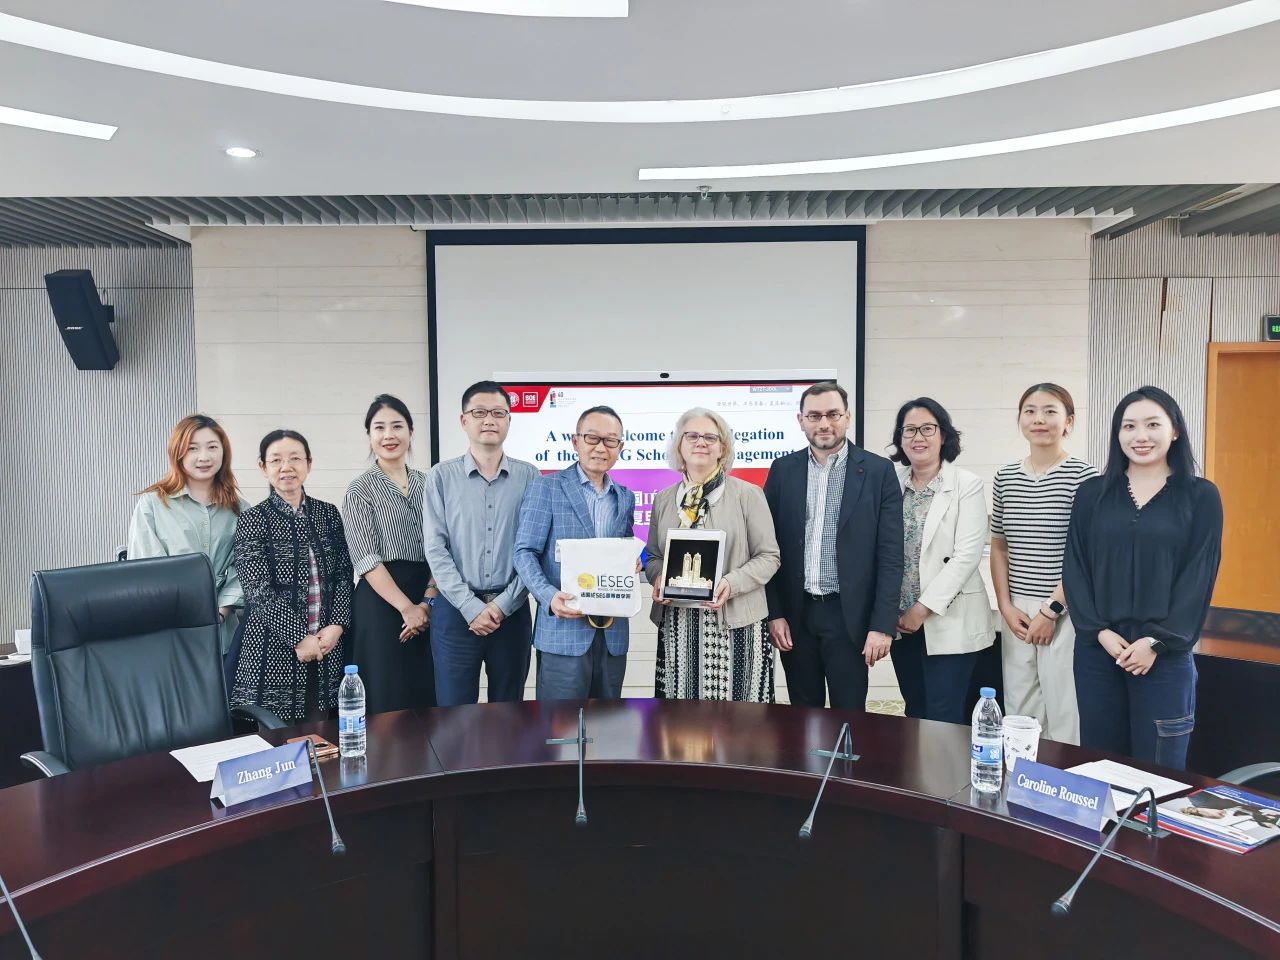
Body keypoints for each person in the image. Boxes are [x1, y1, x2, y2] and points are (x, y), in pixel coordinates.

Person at [1063, 386, 1222, 770]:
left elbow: (1198, 576)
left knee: (1158, 773)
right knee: (1100, 766)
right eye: (1129, 426)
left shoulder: (1200, 496)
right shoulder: (1092, 494)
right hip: (1099, 652)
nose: (1140, 436)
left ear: (1175, 430)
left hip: (1163, 657)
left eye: (1153, 425)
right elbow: (1075, 567)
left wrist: (1156, 642)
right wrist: (1098, 632)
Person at [763, 381, 903, 710]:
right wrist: (774, 613)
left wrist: (882, 626)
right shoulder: (783, 470)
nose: (824, 423)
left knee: (849, 713)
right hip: (796, 616)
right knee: (802, 713)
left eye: (832, 414)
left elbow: (891, 555)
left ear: (847, 417)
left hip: (849, 617)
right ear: (801, 420)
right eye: (814, 416)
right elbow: (766, 547)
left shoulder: (878, 471)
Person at [645, 408, 780, 702]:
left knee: (740, 720)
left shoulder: (748, 494)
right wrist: (658, 578)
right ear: (679, 446)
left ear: (722, 449)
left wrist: (731, 583)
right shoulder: (664, 499)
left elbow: (769, 557)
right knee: (681, 721)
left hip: (737, 623)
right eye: (691, 436)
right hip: (678, 625)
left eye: (710, 437)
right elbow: (653, 557)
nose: (700, 442)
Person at [990, 384, 1097, 744]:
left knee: (1066, 710)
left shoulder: (1085, 477)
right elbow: (999, 546)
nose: (1039, 419)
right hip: (1017, 611)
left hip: (1066, 610)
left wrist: (1052, 610)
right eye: (1030, 411)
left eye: (1050, 411)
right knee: (1019, 709)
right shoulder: (1005, 477)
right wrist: (1005, 606)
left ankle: (1063, 777)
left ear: (1069, 421)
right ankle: (1021, 775)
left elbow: (1087, 555)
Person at [423, 381, 539, 706]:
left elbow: (533, 549)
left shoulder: (530, 477)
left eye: (498, 413)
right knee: (454, 716)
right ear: (464, 420)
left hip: (511, 612)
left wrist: (502, 605)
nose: (489, 420)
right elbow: (435, 549)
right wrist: (470, 607)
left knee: (509, 714)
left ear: (509, 420)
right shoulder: (441, 477)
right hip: (455, 612)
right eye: (479, 413)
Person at [514, 406, 637, 701]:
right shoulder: (546, 487)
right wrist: (548, 596)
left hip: (612, 635)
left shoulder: (625, 497)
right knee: (561, 725)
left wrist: (634, 563)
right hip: (563, 632)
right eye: (592, 438)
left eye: (610, 440)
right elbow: (524, 553)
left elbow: (625, 549)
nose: (600, 447)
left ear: (620, 447)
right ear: (575, 441)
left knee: (608, 724)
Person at [231, 430, 353, 723]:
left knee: (323, 735)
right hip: (272, 649)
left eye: (295, 458)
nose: (286, 467)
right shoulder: (253, 520)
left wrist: (337, 626)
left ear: (309, 464)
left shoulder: (328, 514)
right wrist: (299, 638)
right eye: (276, 460)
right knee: (277, 739)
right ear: (263, 467)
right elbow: (257, 589)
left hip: (326, 645)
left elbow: (343, 575)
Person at [890, 398, 994, 724]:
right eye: (909, 430)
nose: (917, 437)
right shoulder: (889, 481)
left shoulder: (966, 484)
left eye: (927, 429)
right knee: (914, 708)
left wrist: (921, 610)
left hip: (949, 617)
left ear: (943, 435)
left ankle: (946, 763)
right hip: (899, 620)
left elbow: (966, 556)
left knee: (944, 715)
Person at [128, 414, 248, 677]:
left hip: (222, 636)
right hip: (167, 633)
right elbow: (146, 569)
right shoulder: (153, 504)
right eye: (193, 448)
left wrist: (220, 613)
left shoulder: (241, 510)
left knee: (222, 702)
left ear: (224, 452)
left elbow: (244, 569)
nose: (204, 456)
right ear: (178, 453)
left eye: (212, 447)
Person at [342, 394, 436, 715]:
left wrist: (426, 604)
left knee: (427, 696)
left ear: (411, 431)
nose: (388, 435)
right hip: (381, 603)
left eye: (397, 426)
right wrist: (408, 608)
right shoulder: (360, 489)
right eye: (379, 427)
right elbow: (366, 558)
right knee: (386, 698)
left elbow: (443, 548)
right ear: (369, 435)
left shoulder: (430, 483)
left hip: (429, 597)